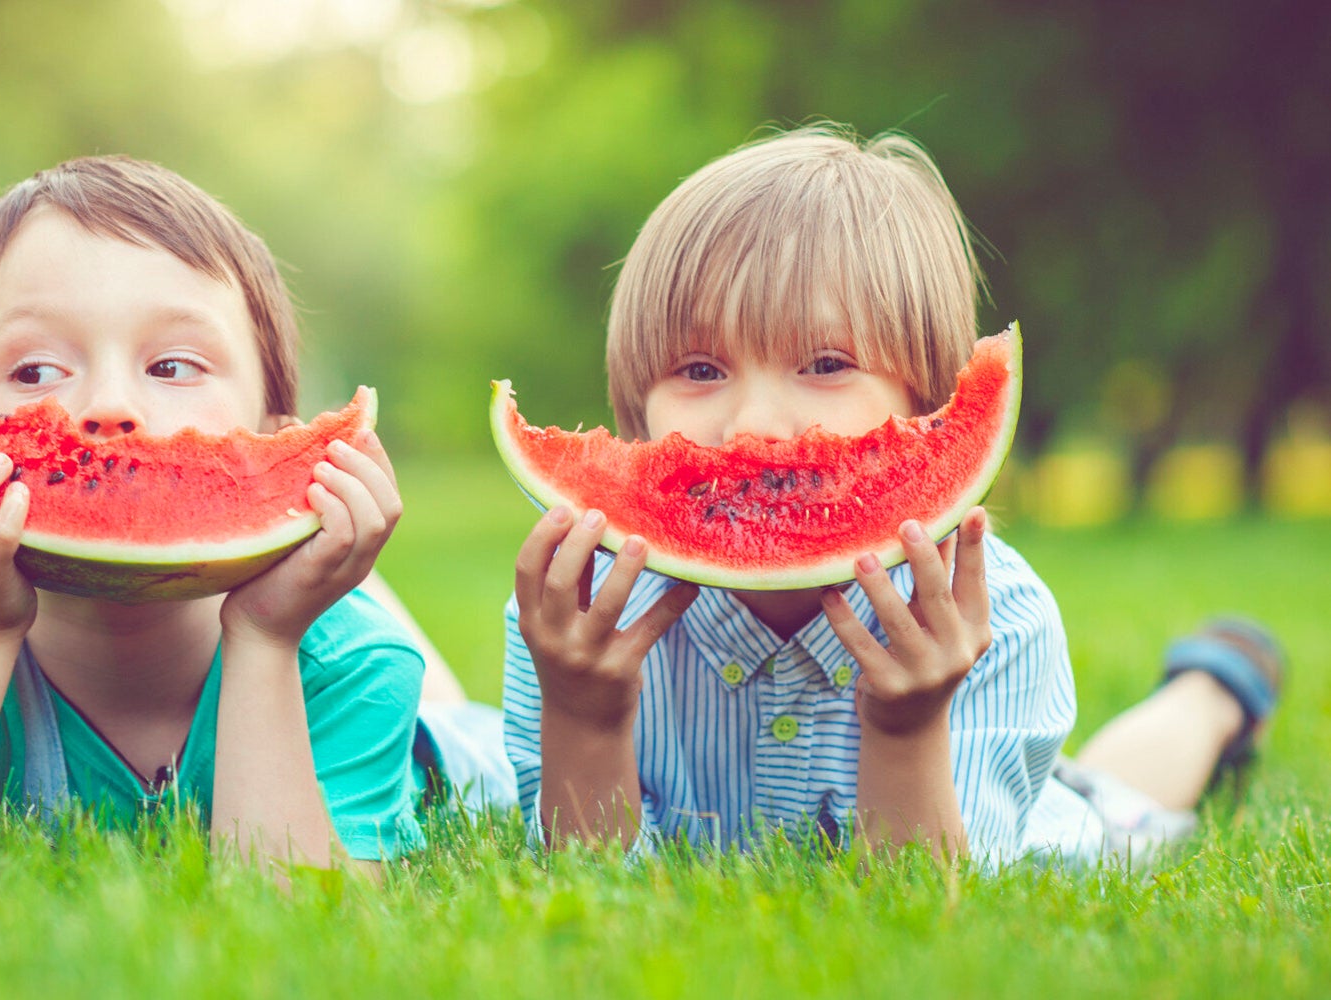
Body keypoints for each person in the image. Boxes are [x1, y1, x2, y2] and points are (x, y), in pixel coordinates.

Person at [500, 124, 1285, 866]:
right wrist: (583, 716)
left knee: (1116, 812)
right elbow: (591, 883)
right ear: (639, 409)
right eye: (701, 371)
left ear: (928, 406)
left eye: (826, 363)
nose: (756, 427)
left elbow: (928, 907)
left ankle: (1213, 688)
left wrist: (908, 728)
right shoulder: (574, 619)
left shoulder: (997, 621)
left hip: (1005, 823)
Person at [0, 155, 457, 872]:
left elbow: (297, 925)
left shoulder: (353, 665)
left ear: (281, 441)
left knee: (462, 737)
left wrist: (267, 640)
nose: (109, 407)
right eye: (33, 372)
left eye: (173, 366)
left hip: (447, 739)